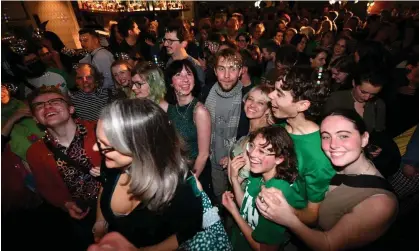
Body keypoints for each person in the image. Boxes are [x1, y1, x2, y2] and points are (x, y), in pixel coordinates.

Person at [256, 109, 398, 251]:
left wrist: (288, 218)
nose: (333, 145)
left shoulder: (381, 202)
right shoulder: (329, 167)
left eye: (343, 136)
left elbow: (328, 245)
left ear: (364, 139)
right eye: (326, 137)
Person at [92, 99, 203, 249]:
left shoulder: (180, 188)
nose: (95, 148)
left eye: (106, 146)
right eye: (98, 142)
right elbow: (104, 188)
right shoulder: (110, 165)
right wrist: (100, 221)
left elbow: (188, 230)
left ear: (140, 148)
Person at [26, 86, 102, 250]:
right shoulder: (35, 152)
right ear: (36, 119)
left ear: (71, 108)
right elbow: (46, 186)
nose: (47, 107)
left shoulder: (100, 130)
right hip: (82, 213)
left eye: (55, 101)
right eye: (39, 106)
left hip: (116, 203)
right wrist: (65, 204)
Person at [268, 67, 335, 225]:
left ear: (302, 105)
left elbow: (312, 216)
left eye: (279, 94)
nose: (270, 95)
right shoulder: (282, 126)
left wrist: (281, 211)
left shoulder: (318, 155)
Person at [223, 126, 306, 250]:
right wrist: (235, 180)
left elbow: (264, 249)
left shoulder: (276, 195)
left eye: (262, 151)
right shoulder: (258, 174)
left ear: (279, 158)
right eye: (252, 146)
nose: (252, 154)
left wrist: (234, 212)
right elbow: (247, 208)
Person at [204, 48, 250, 204]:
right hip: (211, 159)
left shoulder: (248, 99)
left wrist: (232, 153)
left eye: (233, 69)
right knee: (218, 198)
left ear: (240, 72)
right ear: (215, 71)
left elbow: (251, 134)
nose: (227, 75)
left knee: (237, 201)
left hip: (239, 164)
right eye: (222, 69)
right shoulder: (206, 92)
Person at [164, 59, 213, 200]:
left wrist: (190, 182)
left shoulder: (199, 111)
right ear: (171, 82)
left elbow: (203, 154)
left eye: (189, 74)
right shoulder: (168, 106)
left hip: (195, 173)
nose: (185, 79)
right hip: (174, 172)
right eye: (179, 75)